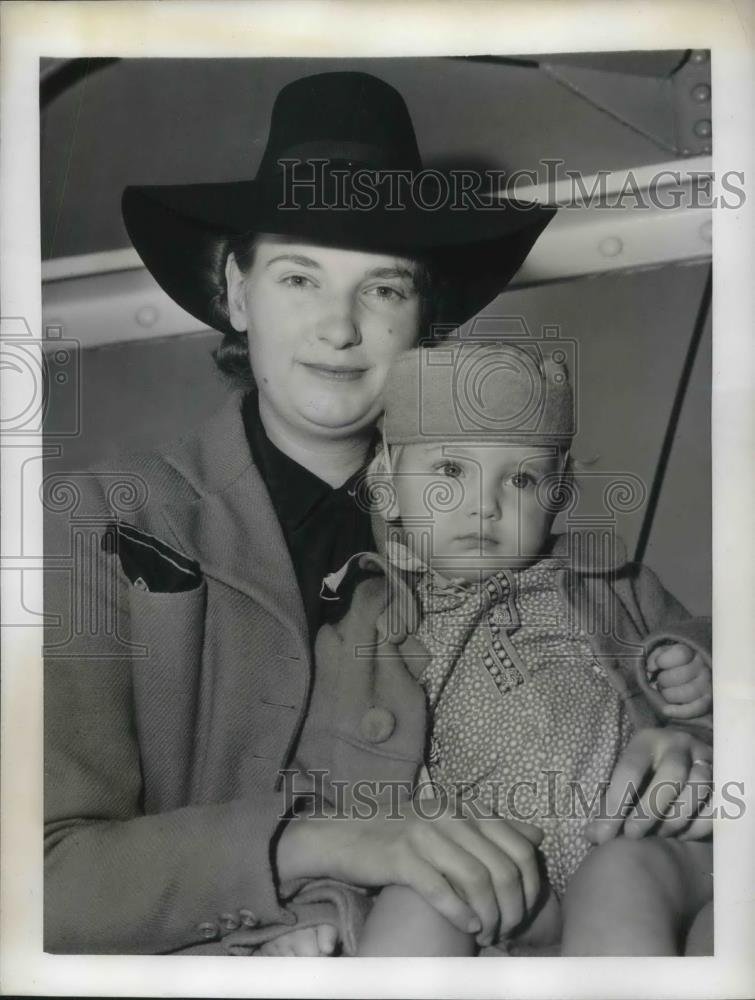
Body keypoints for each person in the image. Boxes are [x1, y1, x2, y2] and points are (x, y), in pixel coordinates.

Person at [43, 71, 558, 955]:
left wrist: (670, 742)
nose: (338, 327)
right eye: (298, 277)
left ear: (424, 317)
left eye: (384, 288)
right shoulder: (94, 523)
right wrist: (319, 840)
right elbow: (37, 881)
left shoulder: (498, 529)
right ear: (235, 296)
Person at [273, 340, 713, 956]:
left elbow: (721, 652)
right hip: (502, 882)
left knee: (619, 879)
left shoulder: (616, 585)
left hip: (637, 840)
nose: (485, 503)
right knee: (422, 898)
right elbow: (324, 793)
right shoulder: (360, 635)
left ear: (558, 493)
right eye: (450, 471)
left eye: (522, 477)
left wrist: (701, 666)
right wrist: (316, 909)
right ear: (386, 486)